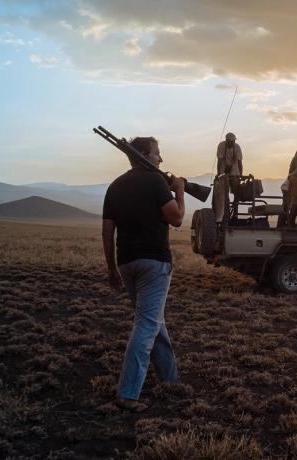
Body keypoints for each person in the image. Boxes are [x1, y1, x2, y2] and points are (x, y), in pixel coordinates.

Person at [102, 136, 185, 411]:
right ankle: (128, 394)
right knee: (147, 324)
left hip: (127, 262)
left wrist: (112, 269)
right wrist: (180, 192)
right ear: (145, 155)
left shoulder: (115, 186)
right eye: (157, 153)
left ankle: (170, 379)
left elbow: (107, 231)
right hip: (154, 263)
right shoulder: (155, 182)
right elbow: (177, 218)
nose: (160, 159)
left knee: (152, 319)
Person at [213, 132, 243, 223]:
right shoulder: (221, 146)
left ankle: (235, 214)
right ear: (227, 141)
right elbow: (220, 160)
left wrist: (241, 175)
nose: (233, 143)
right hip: (223, 173)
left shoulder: (237, 147)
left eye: (234, 141)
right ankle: (224, 214)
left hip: (234, 172)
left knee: (236, 193)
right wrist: (219, 174)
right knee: (223, 194)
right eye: (231, 141)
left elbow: (239, 162)